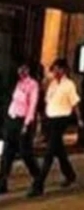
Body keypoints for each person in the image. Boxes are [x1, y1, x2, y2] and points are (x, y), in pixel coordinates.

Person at [33, 58, 84, 195]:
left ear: (63, 70)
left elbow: (75, 103)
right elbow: (47, 100)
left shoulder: (69, 85)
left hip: (61, 119)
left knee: (49, 152)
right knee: (59, 150)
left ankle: (38, 184)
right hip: (50, 119)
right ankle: (70, 174)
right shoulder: (53, 84)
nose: (54, 72)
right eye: (53, 70)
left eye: (57, 69)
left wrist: (79, 119)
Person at [0, 61, 42, 197]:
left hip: (22, 121)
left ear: (28, 70)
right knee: (7, 153)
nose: (21, 71)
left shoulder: (33, 85)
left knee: (25, 153)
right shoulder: (17, 83)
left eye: (24, 69)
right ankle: (2, 182)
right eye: (20, 69)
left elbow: (32, 106)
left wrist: (26, 124)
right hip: (11, 119)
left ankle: (38, 179)